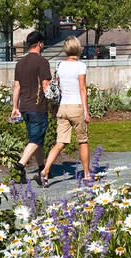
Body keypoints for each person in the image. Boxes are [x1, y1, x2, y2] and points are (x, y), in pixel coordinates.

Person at [40, 36, 91, 187]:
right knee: (83, 141)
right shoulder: (80, 66)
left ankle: (45, 170)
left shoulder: (60, 65)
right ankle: (87, 174)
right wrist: (86, 111)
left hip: (63, 107)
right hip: (76, 106)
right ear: (78, 48)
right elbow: (82, 89)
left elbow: (57, 87)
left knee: (59, 142)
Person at [11, 31, 51, 184]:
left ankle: (42, 169)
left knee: (37, 140)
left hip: (24, 107)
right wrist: (54, 101)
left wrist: (15, 107)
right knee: (35, 139)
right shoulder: (42, 62)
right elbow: (45, 84)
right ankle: (19, 166)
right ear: (40, 43)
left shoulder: (19, 63)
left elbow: (16, 86)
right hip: (37, 106)